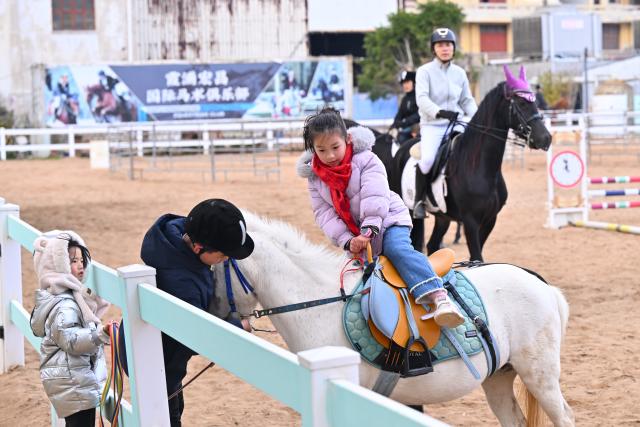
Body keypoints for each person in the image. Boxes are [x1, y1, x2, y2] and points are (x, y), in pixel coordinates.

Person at [296, 107, 464, 327]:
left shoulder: (366, 160)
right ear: (313, 150)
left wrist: (368, 231)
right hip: (357, 235)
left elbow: (374, 196)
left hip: (388, 219)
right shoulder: (315, 179)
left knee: (397, 250)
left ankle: (438, 296)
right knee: (354, 276)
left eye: (335, 147)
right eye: (321, 150)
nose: (330, 156)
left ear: (347, 139)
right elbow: (324, 214)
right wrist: (348, 240)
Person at [125, 199, 255, 426]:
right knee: (167, 416)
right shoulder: (181, 284)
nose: (225, 260)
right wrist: (238, 327)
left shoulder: (177, 236)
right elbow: (194, 335)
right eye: (223, 256)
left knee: (173, 406)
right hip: (160, 365)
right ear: (198, 248)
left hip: (158, 354)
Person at [30, 231, 112, 426]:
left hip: (73, 380)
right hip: (74, 383)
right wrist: (100, 334)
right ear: (56, 265)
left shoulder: (67, 298)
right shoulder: (65, 305)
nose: (80, 264)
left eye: (82, 259)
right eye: (72, 261)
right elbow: (71, 340)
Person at [414, 28, 478, 219]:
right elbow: (422, 99)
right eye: (440, 45)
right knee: (426, 161)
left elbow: (467, 100)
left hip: (457, 122)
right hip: (433, 125)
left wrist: (477, 119)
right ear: (434, 49)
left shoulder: (459, 73)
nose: (445, 48)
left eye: (448, 45)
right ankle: (419, 200)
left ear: (453, 48)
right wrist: (439, 112)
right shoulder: (424, 71)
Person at [391, 70, 420, 144]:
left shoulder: (419, 96)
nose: (405, 85)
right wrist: (394, 125)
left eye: (407, 82)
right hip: (406, 129)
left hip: (419, 128)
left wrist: (405, 122)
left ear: (413, 83)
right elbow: (400, 114)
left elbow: (419, 114)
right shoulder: (405, 99)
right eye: (403, 83)